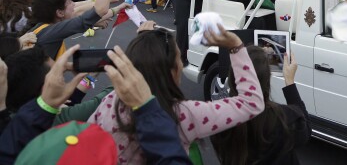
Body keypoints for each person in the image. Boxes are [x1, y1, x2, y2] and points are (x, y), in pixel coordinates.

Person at [88, 25, 265, 163]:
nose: (181, 64)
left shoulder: (113, 99)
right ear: (172, 71)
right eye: (179, 59)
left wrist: (145, 44)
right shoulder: (183, 114)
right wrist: (235, 46)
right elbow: (252, 102)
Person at [0, 45, 194, 165]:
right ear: (43, 87)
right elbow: (97, 102)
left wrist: (45, 105)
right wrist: (144, 104)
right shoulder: (61, 118)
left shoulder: (15, 128)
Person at [212, 48, 310, 165]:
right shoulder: (284, 119)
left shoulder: (219, 122)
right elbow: (306, 130)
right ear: (266, 81)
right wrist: (289, 81)